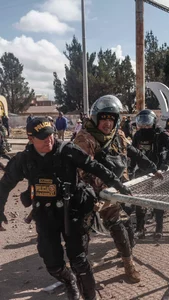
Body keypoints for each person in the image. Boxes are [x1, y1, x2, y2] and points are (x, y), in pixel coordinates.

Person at [0, 118, 133, 300]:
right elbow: (5, 185)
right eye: (43, 138)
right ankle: (69, 280)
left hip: (73, 211)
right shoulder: (24, 160)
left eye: (50, 135)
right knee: (52, 262)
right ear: (31, 139)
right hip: (45, 214)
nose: (49, 140)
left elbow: (94, 166)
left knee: (79, 259)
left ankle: (90, 297)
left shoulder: (67, 150)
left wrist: (118, 184)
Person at [74, 96, 163, 282]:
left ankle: (128, 263)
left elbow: (134, 153)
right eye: (104, 118)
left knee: (117, 225)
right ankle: (81, 272)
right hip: (92, 192)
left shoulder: (118, 135)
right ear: (96, 118)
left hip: (114, 189)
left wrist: (153, 168)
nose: (107, 123)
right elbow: (82, 170)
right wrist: (98, 192)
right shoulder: (85, 138)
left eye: (111, 119)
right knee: (82, 230)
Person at [131, 109, 169, 238]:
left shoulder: (161, 133)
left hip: (158, 172)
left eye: (147, 122)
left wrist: (166, 163)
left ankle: (159, 228)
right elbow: (133, 153)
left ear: (153, 121)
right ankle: (140, 229)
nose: (145, 125)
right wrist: (131, 169)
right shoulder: (138, 135)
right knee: (139, 202)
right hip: (142, 172)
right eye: (142, 122)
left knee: (158, 201)